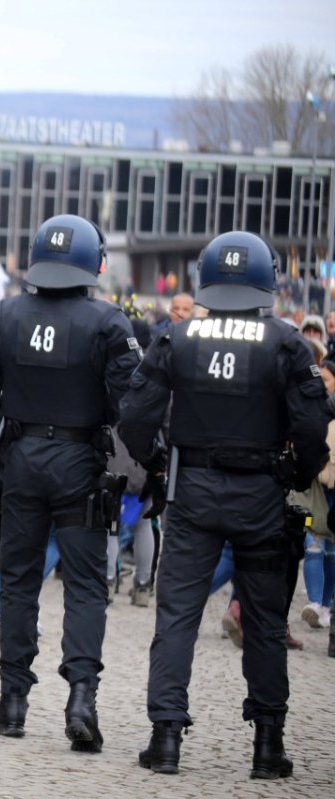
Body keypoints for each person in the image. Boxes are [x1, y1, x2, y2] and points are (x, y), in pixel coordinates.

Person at [120, 231, 331, 778]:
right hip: (261, 495)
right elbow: (312, 424)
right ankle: (268, 746)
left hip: (191, 491)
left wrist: (158, 460)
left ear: (206, 280)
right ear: (267, 281)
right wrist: (295, 472)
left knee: (177, 618)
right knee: (263, 622)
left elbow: (136, 415)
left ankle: (165, 739)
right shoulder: (287, 342)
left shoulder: (177, 336)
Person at [0, 214, 139, 751]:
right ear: (93, 262)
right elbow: (130, 404)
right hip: (82, 461)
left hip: (20, 458)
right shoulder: (111, 322)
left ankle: (12, 701)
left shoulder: (2, 317)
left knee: (17, 580)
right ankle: (81, 697)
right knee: (86, 586)